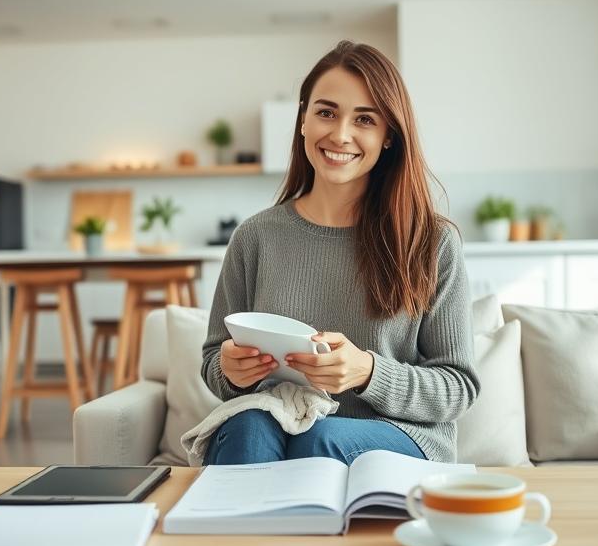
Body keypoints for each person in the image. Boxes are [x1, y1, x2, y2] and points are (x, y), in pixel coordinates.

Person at [199, 40, 479, 466]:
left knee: (320, 439)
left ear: (388, 136)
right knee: (246, 428)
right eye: (326, 112)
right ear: (303, 122)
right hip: (278, 421)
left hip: (399, 433)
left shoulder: (432, 243)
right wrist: (231, 373)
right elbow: (213, 365)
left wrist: (369, 372)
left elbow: (458, 387)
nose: (340, 134)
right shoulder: (255, 238)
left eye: (364, 119)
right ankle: (250, 534)